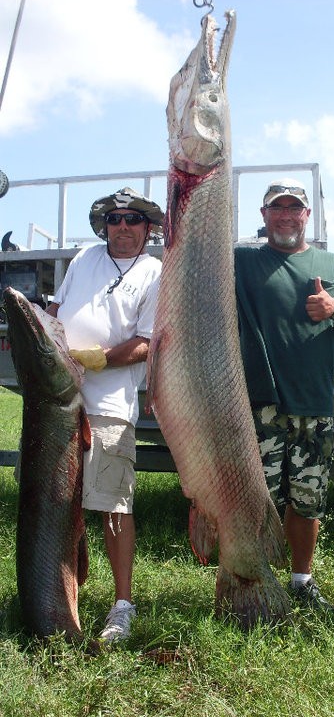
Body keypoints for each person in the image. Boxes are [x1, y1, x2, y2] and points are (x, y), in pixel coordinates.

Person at [235, 178, 334, 609]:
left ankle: (301, 580)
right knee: (258, 502)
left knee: (308, 500)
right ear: (263, 216)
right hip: (258, 407)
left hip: (315, 406)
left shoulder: (333, 264)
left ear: (306, 216)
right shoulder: (241, 260)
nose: (285, 215)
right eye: (276, 208)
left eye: (293, 207)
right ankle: (253, 579)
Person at [46, 186, 163, 641]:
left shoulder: (155, 271)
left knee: (113, 505)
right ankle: (59, 593)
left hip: (109, 405)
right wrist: (51, 342)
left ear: (148, 228)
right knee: (57, 502)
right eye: (114, 220)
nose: (123, 227)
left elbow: (147, 342)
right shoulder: (84, 259)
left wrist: (96, 359)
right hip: (58, 401)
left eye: (133, 219)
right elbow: (56, 311)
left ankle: (122, 604)